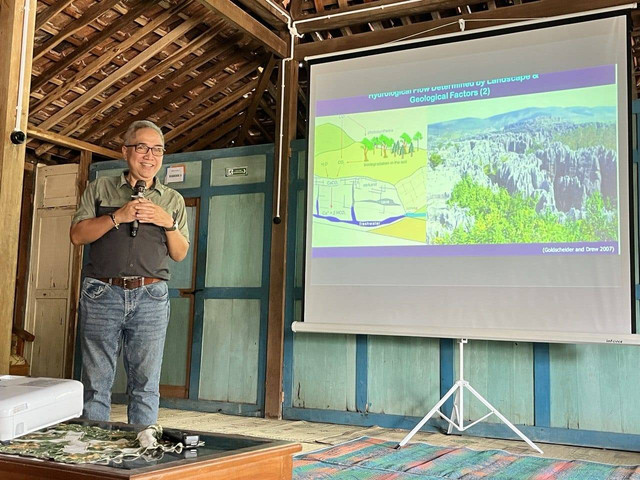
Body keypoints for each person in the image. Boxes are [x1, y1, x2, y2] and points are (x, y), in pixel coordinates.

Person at [70, 120, 189, 426]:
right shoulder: (99, 188)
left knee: (146, 385)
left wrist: (167, 223)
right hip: (101, 292)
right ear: (125, 151)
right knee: (96, 383)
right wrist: (117, 216)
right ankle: (95, 453)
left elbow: (179, 253)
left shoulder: (172, 200)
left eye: (157, 149)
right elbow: (77, 236)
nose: (150, 156)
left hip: (151, 296)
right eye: (142, 147)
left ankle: (143, 452)